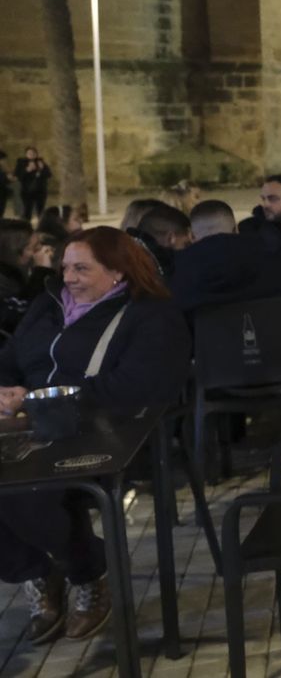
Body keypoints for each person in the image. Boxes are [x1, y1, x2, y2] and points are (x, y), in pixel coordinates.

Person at [0, 227, 190, 643]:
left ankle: (87, 574)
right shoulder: (47, 305)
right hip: (29, 427)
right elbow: (11, 358)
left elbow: (141, 387)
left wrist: (38, 400)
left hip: (108, 433)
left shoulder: (151, 315)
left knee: (20, 488)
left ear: (118, 273)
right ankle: (37, 571)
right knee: (15, 481)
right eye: (66, 266)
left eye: (82, 268)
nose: (67, 277)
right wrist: (7, 390)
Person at [170, 200, 281, 332]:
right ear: (236, 229)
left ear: (191, 236)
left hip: (209, 367)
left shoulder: (174, 273)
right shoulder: (278, 258)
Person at [134, 203, 193, 278]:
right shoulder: (170, 276)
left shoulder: (126, 265)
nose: (190, 249)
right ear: (171, 238)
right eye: (186, 244)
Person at [13, 148, 52, 220]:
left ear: (36, 154)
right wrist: (27, 170)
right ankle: (26, 226)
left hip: (40, 190)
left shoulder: (41, 162)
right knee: (27, 209)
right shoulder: (21, 163)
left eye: (33, 153)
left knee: (40, 209)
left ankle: (41, 225)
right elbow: (17, 176)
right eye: (29, 153)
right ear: (26, 154)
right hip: (27, 191)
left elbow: (49, 175)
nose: (31, 155)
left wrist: (42, 168)